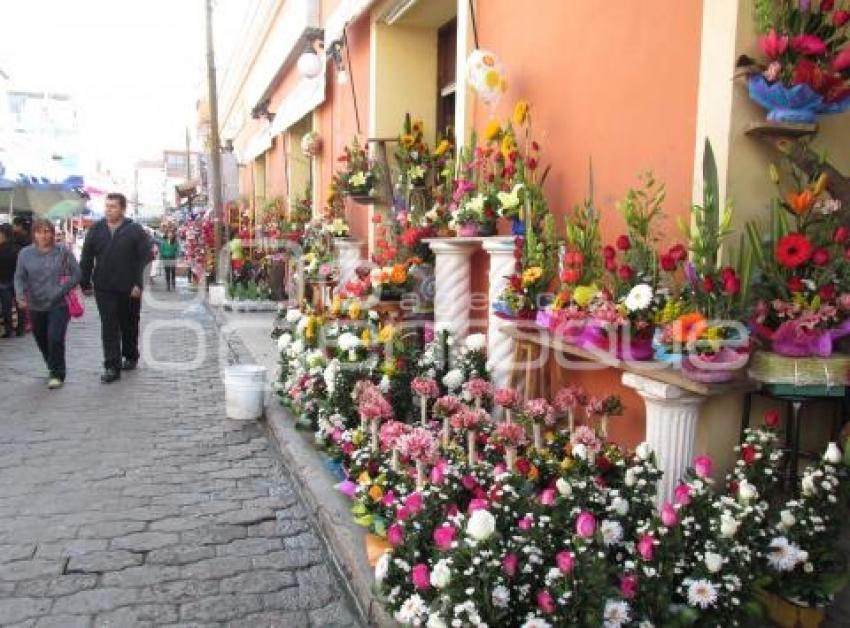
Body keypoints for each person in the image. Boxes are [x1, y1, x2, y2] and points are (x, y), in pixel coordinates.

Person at [80, 192, 152, 383]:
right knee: (109, 325)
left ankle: (130, 355)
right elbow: (86, 258)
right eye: (107, 206)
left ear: (122, 209)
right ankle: (112, 365)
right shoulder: (95, 230)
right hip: (104, 287)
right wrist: (84, 282)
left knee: (129, 323)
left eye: (113, 206)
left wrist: (139, 284)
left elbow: (145, 258)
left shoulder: (135, 230)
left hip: (129, 287)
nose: (109, 210)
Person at [13, 219, 81, 389]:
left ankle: (58, 373)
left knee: (55, 337)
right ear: (34, 234)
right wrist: (20, 295)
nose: (43, 235)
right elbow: (19, 276)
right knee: (41, 338)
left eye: (46, 231)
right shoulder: (25, 254)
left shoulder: (62, 252)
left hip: (58, 304)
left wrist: (62, 289)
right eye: (39, 232)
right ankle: (51, 364)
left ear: (52, 233)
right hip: (35, 304)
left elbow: (77, 273)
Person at [0, 224, 23, 337]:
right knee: (17, 305)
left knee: (7, 306)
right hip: (14, 281)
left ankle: (10, 329)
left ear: (5, 235)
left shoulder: (13, 248)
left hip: (6, 282)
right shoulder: (18, 248)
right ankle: (20, 329)